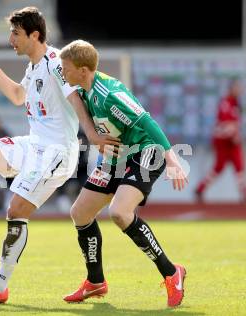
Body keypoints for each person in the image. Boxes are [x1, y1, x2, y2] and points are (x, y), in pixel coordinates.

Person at [0, 7, 115, 304]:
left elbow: (74, 97)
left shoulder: (55, 62)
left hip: (56, 153)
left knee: (15, 211)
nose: (10, 39)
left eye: (15, 33)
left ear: (34, 34)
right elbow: (18, 96)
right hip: (33, 145)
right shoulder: (33, 67)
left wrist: (91, 135)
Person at [59, 40, 188, 307]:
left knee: (119, 213)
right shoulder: (83, 85)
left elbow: (147, 122)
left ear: (83, 70)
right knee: (80, 213)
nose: (62, 71)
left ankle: (171, 272)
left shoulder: (110, 95)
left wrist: (173, 159)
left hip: (145, 151)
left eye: (66, 67)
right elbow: (77, 103)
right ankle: (95, 282)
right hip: (117, 156)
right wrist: (94, 136)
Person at [195, 79, 245, 202]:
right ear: (231, 88)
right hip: (223, 142)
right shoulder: (225, 103)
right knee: (219, 167)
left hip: (233, 142)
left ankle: (244, 194)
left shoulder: (236, 103)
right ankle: (200, 189)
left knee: (239, 167)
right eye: (237, 87)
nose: (239, 90)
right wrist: (233, 134)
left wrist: (235, 134)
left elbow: (235, 123)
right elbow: (223, 125)